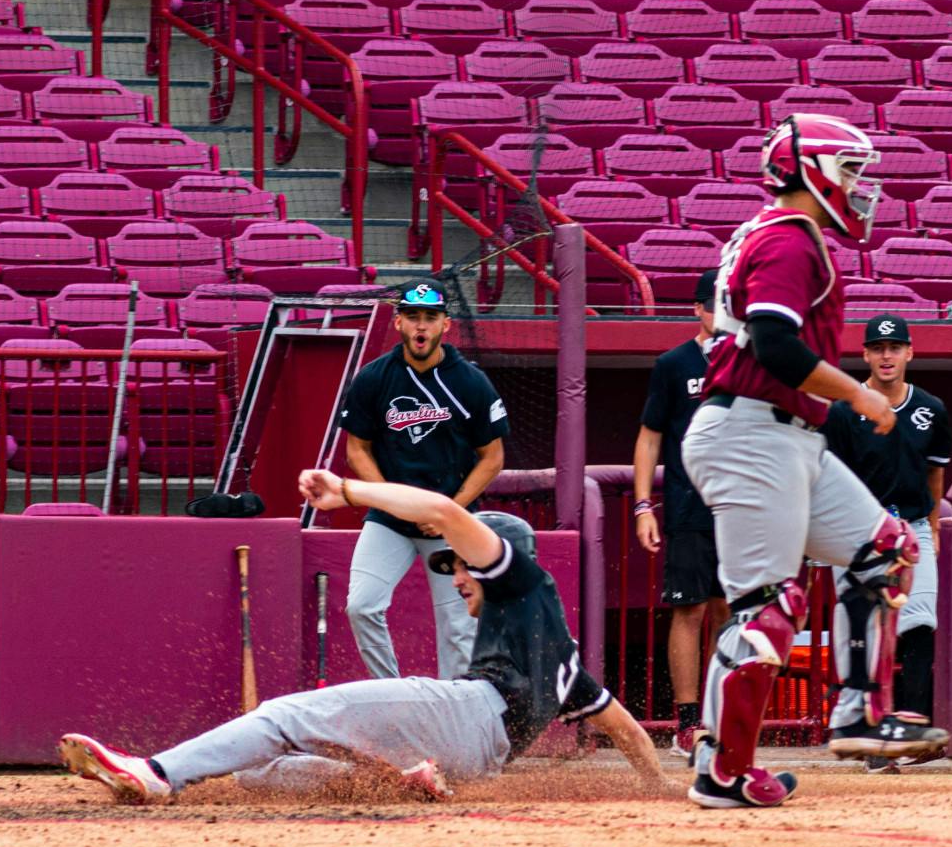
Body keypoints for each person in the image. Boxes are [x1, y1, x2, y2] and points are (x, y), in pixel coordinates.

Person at [58, 470, 671, 804]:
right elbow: (624, 727)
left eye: (459, 564)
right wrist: (659, 788)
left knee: (287, 715)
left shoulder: (520, 579)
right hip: (479, 760)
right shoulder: (561, 652)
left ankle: (157, 772)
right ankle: (408, 783)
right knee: (258, 774)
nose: (456, 575)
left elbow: (445, 513)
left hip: (469, 714)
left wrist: (349, 493)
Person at [680, 113, 949, 811]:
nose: (860, 188)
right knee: (766, 608)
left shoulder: (778, 232)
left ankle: (857, 714)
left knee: (888, 548)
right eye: (851, 171)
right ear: (813, 170)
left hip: (782, 431)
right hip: (752, 432)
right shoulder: (790, 239)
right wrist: (860, 393)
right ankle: (724, 772)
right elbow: (775, 347)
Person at [337, 281, 508, 681]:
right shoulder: (374, 378)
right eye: (413, 316)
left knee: (459, 628)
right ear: (398, 321)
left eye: (430, 317)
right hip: (390, 518)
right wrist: (389, 498)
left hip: (451, 520)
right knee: (361, 606)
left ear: (445, 324)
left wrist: (453, 509)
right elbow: (356, 450)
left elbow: (493, 458)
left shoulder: (470, 382)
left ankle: (455, 720)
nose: (421, 326)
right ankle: (393, 697)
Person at [820, 314, 952, 771]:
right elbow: (829, 476)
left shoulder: (930, 408)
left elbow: (935, 473)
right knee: (862, 631)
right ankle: (868, 733)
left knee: (918, 623)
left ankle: (912, 728)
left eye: (895, 346)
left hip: (913, 526)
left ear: (910, 352)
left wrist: (933, 523)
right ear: (866, 354)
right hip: (859, 530)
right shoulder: (843, 409)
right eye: (878, 347)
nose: (887, 355)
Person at [632, 267, 727, 763]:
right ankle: (688, 724)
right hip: (689, 506)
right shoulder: (673, 363)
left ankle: (724, 715)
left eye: (728, 303)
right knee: (688, 611)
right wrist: (643, 504)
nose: (719, 312)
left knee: (731, 616)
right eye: (712, 304)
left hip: (739, 510)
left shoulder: (750, 360)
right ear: (696, 308)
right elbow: (650, 436)